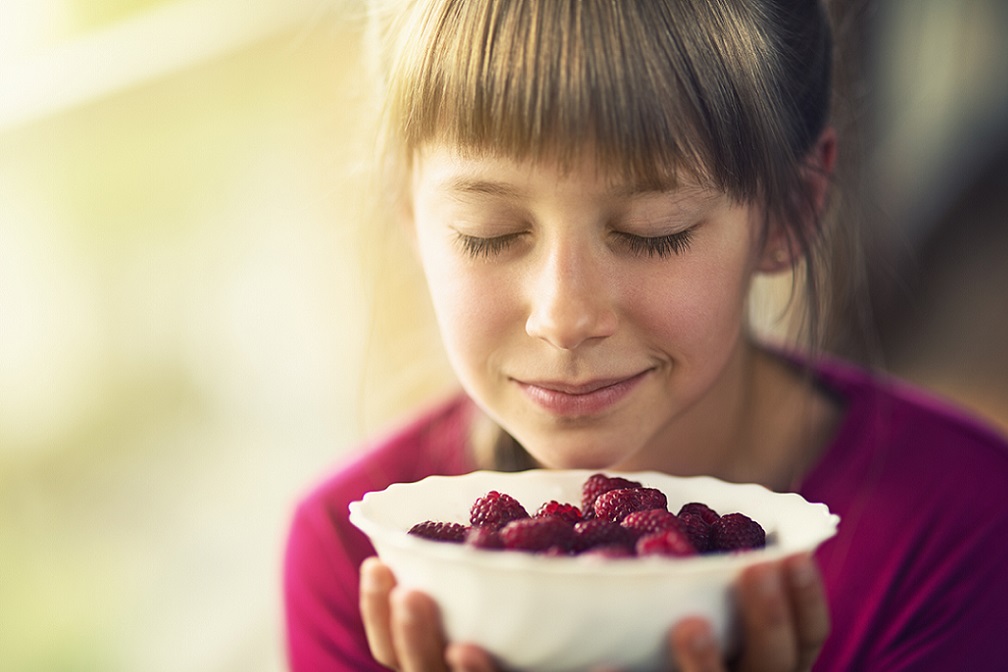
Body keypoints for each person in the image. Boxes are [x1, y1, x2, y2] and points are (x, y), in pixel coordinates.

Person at [283, 1, 1008, 670]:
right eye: (489, 235)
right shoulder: (357, 560)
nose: (564, 318)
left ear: (787, 213)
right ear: (414, 221)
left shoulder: (963, 529)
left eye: (651, 234)